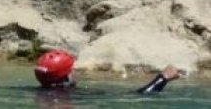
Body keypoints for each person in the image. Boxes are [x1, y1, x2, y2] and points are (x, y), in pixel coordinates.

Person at [34, 49, 181, 94]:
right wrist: (163, 77)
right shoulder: (77, 94)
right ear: (66, 75)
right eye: (72, 69)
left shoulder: (34, 92)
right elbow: (139, 96)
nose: (75, 72)